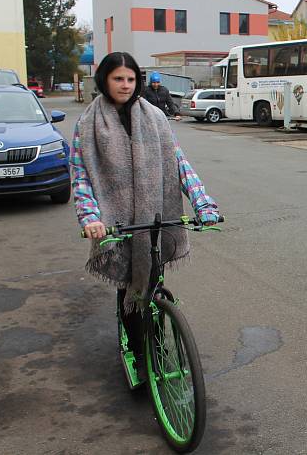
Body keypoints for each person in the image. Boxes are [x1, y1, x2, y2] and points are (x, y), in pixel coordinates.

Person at [71, 52, 219, 358]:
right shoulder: (87, 124)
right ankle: (140, 355)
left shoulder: (155, 117)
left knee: (153, 282)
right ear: (104, 81)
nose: (125, 85)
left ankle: (158, 348)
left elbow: (179, 163)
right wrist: (90, 217)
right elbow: (81, 176)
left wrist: (203, 203)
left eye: (130, 79)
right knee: (129, 289)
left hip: (155, 216)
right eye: (118, 79)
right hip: (118, 223)